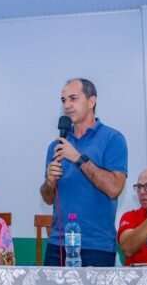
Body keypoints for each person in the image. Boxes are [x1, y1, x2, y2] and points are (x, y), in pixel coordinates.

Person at [40, 78, 128, 266]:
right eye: (63, 100)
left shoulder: (112, 139)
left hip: (97, 246)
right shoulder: (56, 146)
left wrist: (78, 158)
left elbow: (114, 188)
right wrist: (49, 182)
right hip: (58, 244)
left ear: (91, 101)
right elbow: (47, 198)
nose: (66, 105)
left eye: (73, 98)